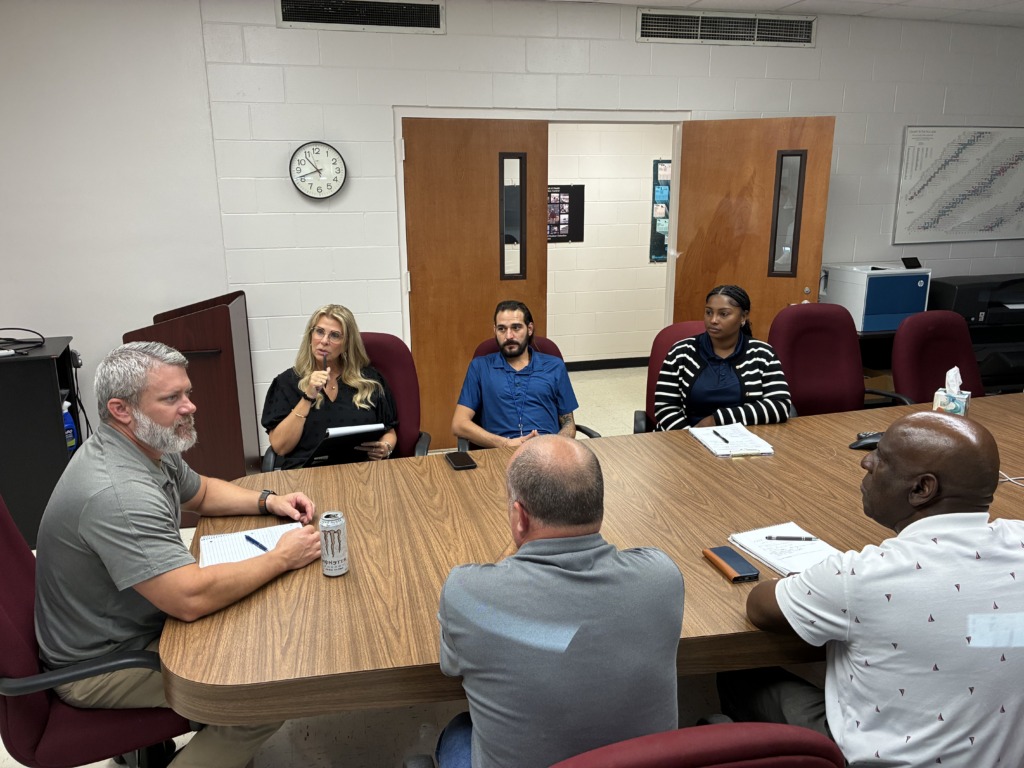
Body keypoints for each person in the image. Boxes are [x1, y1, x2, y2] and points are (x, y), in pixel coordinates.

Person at [34, 341, 323, 768]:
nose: (190, 407)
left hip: (133, 624)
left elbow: (201, 491)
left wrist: (268, 501)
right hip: (103, 663)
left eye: (187, 393)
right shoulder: (118, 492)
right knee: (261, 695)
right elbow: (189, 599)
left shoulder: (145, 447)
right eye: (172, 398)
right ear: (122, 410)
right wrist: (282, 556)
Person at [719, 411, 1024, 767]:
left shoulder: (860, 576)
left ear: (922, 489)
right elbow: (981, 630)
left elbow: (760, 607)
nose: (865, 460)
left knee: (737, 673)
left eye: (881, 457)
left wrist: (823, 583)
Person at [435, 435, 684, 768]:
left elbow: (451, 669)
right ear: (599, 505)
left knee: (457, 732)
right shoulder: (662, 577)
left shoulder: (467, 595)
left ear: (519, 517)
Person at [261, 304, 398, 468]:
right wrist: (307, 396)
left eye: (334, 335)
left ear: (346, 343)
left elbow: (389, 431)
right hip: (307, 473)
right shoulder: (286, 383)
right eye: (319, 332)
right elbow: (280, 447)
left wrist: (386, 447)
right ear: (310, 336)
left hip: (361, 470)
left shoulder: (369, 380)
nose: (324, 341)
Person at [654, 284, 791, 430]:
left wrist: (717, 420)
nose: (713, 320)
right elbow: (665, 407)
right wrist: (693, 437)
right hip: (684, 438)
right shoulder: (681, 352)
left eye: (723, 314)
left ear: (743, 317)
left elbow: (780, 406)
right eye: (708, 312)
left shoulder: (762, 353)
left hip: (744, 441)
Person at [452, 300, 579, 449]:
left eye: (516, 327)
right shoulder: (480, 367)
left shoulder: (554, 366)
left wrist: (554, 446)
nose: (509, 336)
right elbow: (459, 424)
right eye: (501, 329)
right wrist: (505, 443)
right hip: (500, 450)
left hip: (547, 452)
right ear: (495, 330)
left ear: (529, 329)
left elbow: (569, 423)